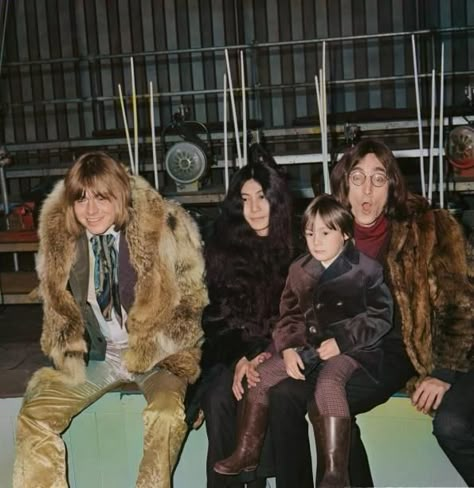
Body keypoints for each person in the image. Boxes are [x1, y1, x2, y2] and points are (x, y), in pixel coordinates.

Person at [267, 139, 474, 487]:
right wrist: (282, 346)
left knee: (328, 400)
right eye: (357, 177)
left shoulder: (429, 228)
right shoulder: (327, 233)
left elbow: (461, 304)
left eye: (378, 179)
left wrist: (444, 371)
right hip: (336, 348)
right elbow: (297, 303)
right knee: (282, 394)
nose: (367, 189)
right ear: (343, 185)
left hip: (396, 347)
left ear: (391, 186)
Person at [13, 152, 208, 488]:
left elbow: (193, 300)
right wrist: (68, 353)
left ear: (121, 196)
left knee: (165, 415)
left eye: (101, 197)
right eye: (81, 198)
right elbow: (59, 313)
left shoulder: (162, 229)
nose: (90, 210)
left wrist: (185, 367)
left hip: (157, 355)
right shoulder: (65, 242)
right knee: (35, 414)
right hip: (101, 355)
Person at [214, 194, 393, 487]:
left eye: (325, 232)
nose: (316, 241)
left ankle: (336, 473)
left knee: (329, 384)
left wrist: (342, 341)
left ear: (345, 234)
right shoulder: (299, 269)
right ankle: (247, 450)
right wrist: (288, 348)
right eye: (310, 233)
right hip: (308, 348)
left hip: (353, 350)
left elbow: (380, 316)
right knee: (260, 376)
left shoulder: (367, 269)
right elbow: (289, 315)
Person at [190, 144, 313, 488]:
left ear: (276, 198)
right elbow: (215, 316)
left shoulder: (300, 244)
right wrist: (241, 357)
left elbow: (308, 314)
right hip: (238, 350)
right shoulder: (224, 248)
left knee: (275, 396)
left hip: (287, 351)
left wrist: (267, 353)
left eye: (261, 196)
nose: (254, 208)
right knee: (217, 397)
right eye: (244, 199)